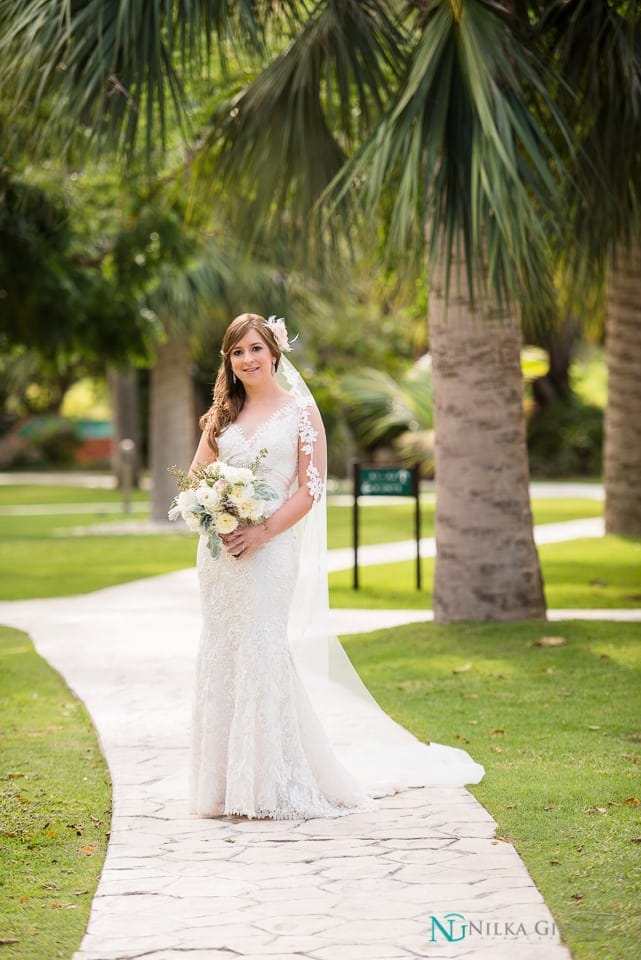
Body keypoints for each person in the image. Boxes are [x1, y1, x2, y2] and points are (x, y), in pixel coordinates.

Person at [187, 312, 484, 821]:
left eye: (256, 348)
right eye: (237, 352)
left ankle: (267, 784)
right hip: (221, 556)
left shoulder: (301, 412)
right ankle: (221, 786)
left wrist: (261, 530)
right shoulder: (221, 416)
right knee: (223, 653)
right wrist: (214, 513)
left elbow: (311, 487)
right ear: (229, 361)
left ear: (274, 352)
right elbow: (195, 476)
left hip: (270, 549)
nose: (247, 360)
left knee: (262, 650)